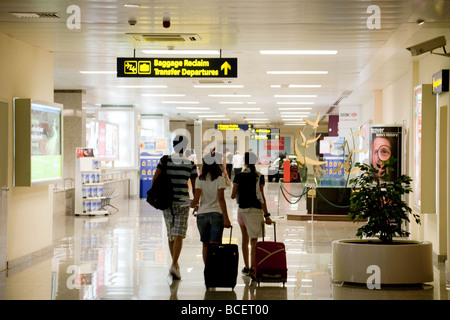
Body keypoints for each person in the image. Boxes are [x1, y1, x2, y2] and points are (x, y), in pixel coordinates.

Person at [152, 135, 198, 280]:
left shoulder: (164, 160)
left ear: (173, 146)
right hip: (183, 202)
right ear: (185, 147)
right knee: (179, 234)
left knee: (171, 234)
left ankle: (175, 265)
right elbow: (195, 186)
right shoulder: (190, 164)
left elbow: (155, 180)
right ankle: (174, 264)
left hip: (167, 203)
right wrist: (196, 203)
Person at [231, 151, 272, 278]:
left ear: (245, 162)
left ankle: (246, 267)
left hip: (241, 212)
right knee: (254, 240)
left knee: (244, 239)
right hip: (254, 212)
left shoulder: (239, 176)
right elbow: (261, 196)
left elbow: (232, 195)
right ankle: (253, 268)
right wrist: (266, 215)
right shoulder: (259, 176)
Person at [190, 153, 231, 263]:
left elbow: (196, 198)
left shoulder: (199, 180)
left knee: (205, 244)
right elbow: (221, 199)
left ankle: (207, 270)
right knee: (215, 245)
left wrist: (192, 204)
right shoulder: (220, 179)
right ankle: (215, 270)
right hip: (216, 214)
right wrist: (226, 218)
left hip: (202, 215)